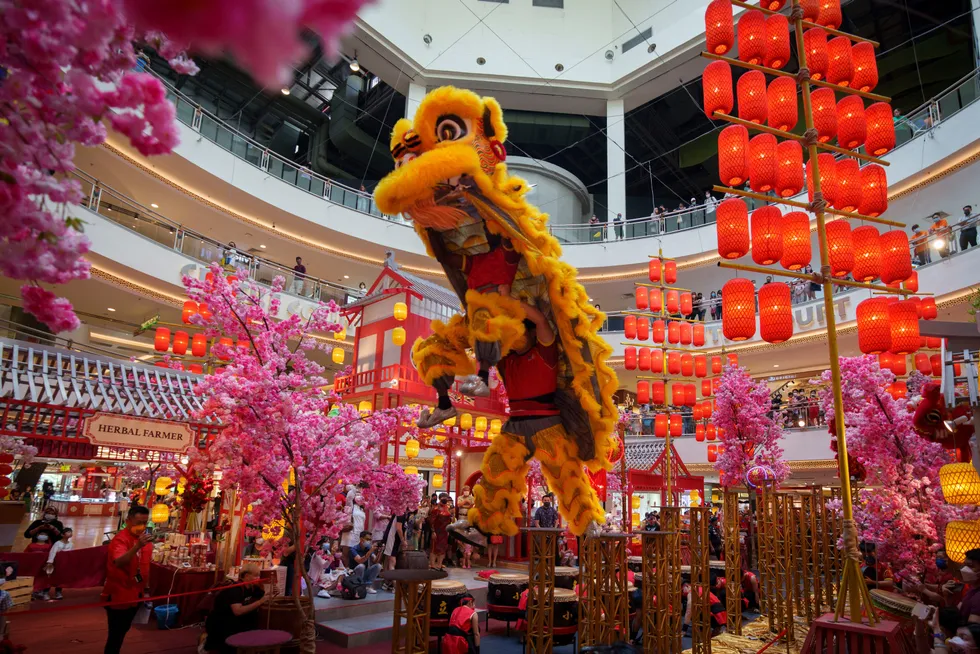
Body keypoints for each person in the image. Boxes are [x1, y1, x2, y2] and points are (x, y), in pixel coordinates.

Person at [103, 505, 153, 654]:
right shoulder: (121, 539)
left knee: (123, 629)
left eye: (145, 523)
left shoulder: (144, 539)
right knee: (116, 634)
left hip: (137, 592)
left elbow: (145, 565)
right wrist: (137, 546)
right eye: (138, 523)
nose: (141, 526)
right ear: (128, 521)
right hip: (120, 594)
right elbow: (119, 561)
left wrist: (146, 589)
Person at [204, 563, 268, 653]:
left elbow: (265, 596)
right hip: (221, 623)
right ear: (247, 576)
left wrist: (273, 590)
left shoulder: (253, 588)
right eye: (256, 576)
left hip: (234, 620)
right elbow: (237, 611)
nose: (258, 578)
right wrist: (260, 602)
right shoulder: (236, 589)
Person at [39, 527, 72, 601]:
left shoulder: (71, 544)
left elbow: (71, 554)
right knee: (50, 577)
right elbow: (52, 552)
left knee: (60, 578)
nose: (70, 533)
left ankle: (58, 592)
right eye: (68, 532)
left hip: (64, 564)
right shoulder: (57, 543)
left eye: (71, 532)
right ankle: (45, 592)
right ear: (62, 534)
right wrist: (50, 562)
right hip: (55, 563)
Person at [429, 495, 453, 570]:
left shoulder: (448, 508)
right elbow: (431, 521)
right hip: (437, 530)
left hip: (444, 531)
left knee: (443, 548)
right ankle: (432, 565)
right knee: (434, 548)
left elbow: (450, 520)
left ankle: (439, 565)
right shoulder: (436, 509)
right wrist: (433, 531)